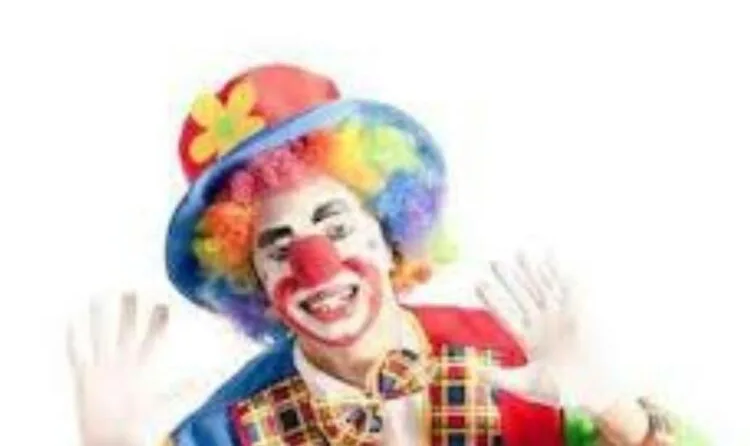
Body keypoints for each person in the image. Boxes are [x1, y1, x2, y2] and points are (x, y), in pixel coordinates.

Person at [68, 64, 703, 445]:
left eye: (335, 224)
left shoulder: (517, 358)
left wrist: (613, 407)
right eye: (277, 248)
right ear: (253, 282)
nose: (315, 264)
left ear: (389, 228)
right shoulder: (229, 430)